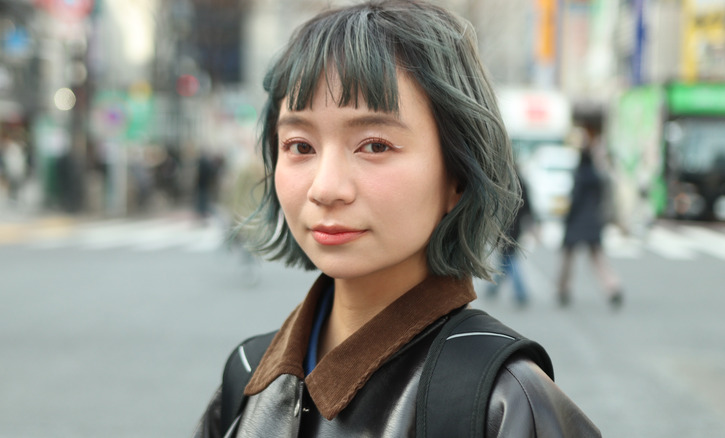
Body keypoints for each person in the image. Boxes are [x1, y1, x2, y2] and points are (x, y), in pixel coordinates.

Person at [193, 1, 601, 436]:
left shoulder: (504, 402)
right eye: (300, 146)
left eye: (374, 145)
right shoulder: (247, 377)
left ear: (458, 174)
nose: (325, 188)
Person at [556, 125, 623, 309]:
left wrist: (567, 218)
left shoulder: (579, 176)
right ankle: (612, 286)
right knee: (598, 259)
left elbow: (575, 200)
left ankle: (563, 290)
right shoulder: (597, 177)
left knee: (568, 259)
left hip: (577, 222)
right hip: (594, 221)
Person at [485, 167, 535, 306]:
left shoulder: (506, 184)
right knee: (506, 259)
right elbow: (528, 207)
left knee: (509, 259)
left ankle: (521, 292)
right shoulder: (521, 183)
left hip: (507, 227)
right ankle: (494, 288)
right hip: (515, 227)